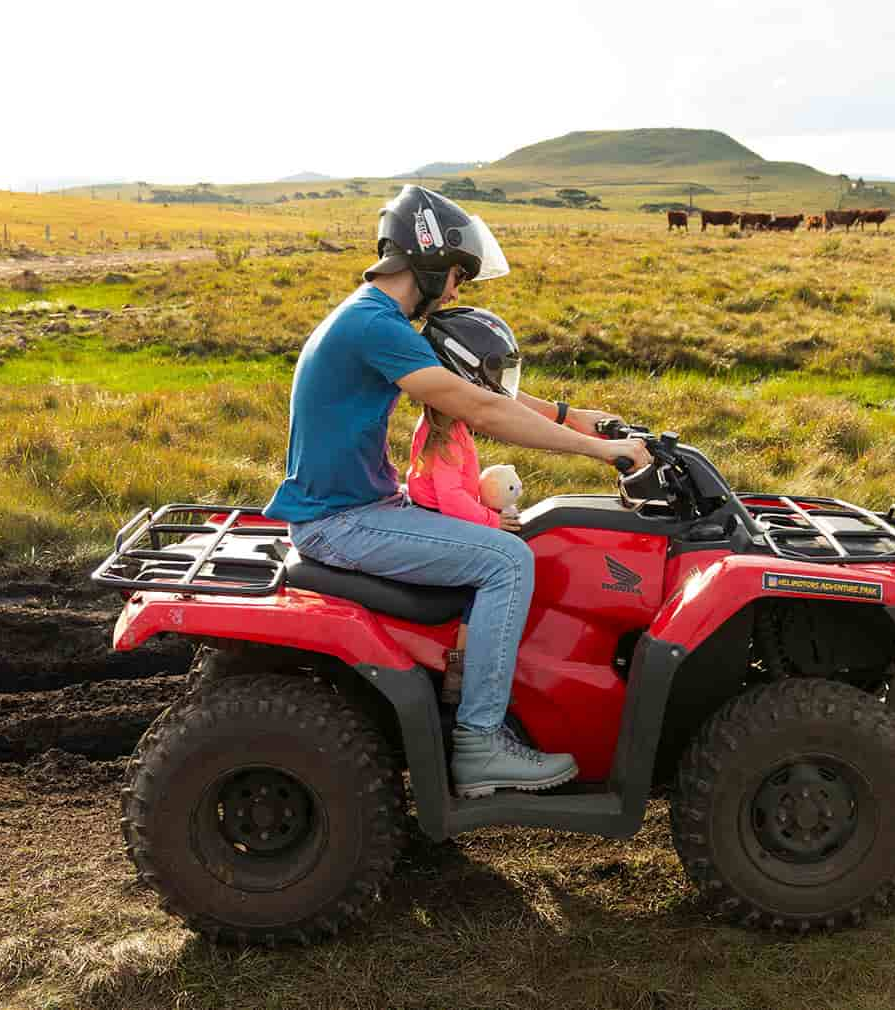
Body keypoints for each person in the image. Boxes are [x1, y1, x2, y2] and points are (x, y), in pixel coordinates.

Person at [263, 185, 650, 799]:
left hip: (363, 506)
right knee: (508, 560)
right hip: (341, 521)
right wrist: (598, 452)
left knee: (516, 541)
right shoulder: (373, 324)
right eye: (458, 277)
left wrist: (579, 417)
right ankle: (480, 743)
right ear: (431, 262)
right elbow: (475, 405)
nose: (457, 291)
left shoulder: (373, 317)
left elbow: (482, 386)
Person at [405, 308, 527, 711]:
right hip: (435, 517)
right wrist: (492, 521)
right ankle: (460, 673)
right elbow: (451, 499)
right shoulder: (446, 435)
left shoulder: (448, 424)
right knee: (494, 572)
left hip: (438, 511)